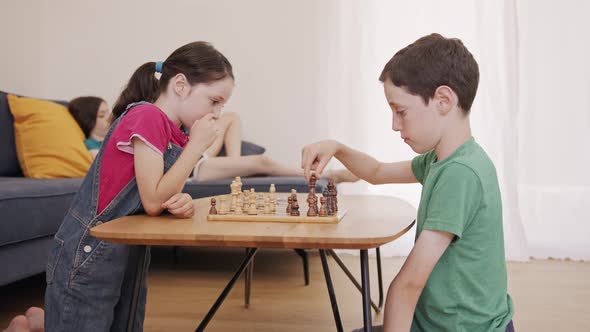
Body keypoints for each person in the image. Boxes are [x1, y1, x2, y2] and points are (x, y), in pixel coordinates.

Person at [301, 33, 515, 331]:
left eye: (400, 111)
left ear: (443, 100)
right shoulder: (444, 159)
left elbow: (407, 286)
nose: (394, 125)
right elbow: (376, 172)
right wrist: (337, 147)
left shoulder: (460, 173)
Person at [43, 41, 231, 331]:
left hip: (127, 250)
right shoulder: (148, 117)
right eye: (214, 100)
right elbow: (154, 198)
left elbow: (156, 198)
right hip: (91, 249)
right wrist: (195, 147)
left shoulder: (174, 132)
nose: (217, 112)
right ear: (180, 85)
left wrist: (176, 203)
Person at [66, 96, 357, 182]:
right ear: (88, 120)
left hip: (195, 158)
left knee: (230, 117)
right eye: (102, 114)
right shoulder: (94, 149)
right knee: (262, 161)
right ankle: (327, 175)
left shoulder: (134, 130)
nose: (108, 118)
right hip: (194, 168)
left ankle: (232, 163)